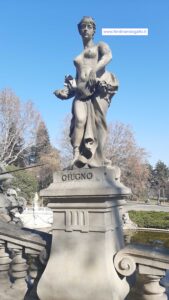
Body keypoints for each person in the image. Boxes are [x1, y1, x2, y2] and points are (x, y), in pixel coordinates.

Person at [54, 16, 118, 168]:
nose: (86, 29)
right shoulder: (79, 55)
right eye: (83, 26)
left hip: (96, 90)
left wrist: (94, 71)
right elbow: (77, 79)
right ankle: (76, 155)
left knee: (98, 123)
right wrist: (65, 92)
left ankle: (99, 158)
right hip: (80, 94)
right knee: (79, 121)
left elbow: (109, 55)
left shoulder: (99, 46)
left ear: (94, 30)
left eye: (89, 26)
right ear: (79, 30)